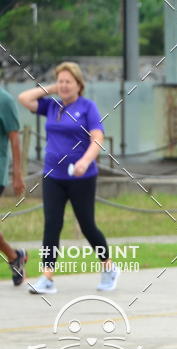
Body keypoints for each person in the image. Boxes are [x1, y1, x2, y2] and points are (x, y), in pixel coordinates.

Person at [18, 61, 118, 294]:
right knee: (52, 224)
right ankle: (47, 277)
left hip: (81, 178)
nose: (63, 85)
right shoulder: (52, 107)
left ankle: (109, 267)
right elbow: (25, 98)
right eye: (60, 81)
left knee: (87, 226)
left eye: (68, 82)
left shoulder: (87, 107)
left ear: (79, 85)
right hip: (53, 175)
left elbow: (98, 138)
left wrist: (85, 161)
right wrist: (51, 88)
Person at [0, 84, 27, 285]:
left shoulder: (5, 100)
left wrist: (17, 174)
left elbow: (15, 140)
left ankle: (13, 256)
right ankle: (14, 256)